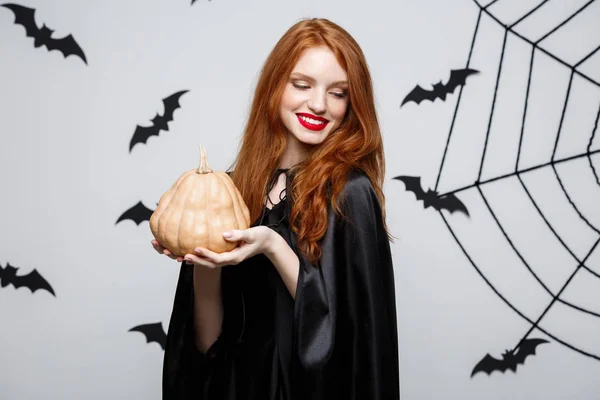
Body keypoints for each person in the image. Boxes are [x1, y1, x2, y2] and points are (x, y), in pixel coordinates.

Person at [151, 17, 401, 400]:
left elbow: (346, 344)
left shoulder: (351, 193)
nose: (318, 104)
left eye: (338, 93)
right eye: (302, 85)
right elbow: (208, 345)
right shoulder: (234, 189)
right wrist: (202, 259)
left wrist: (272, 244)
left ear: (353, 104)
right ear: (275, 86)